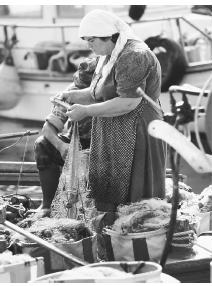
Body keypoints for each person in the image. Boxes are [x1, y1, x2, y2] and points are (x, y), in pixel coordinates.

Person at [56, 9, 167, 213]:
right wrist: (71, 96)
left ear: (110, 37)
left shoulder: (134, 55)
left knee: (136, 191)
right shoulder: (108, 55)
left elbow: (128, 102)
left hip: (138, 130)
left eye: (92, 40)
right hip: (113, 130)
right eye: (86, 40)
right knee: (111, 188)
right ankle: (112, 233)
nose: (88, 45)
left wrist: (87, 111)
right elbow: (100, 92)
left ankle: (137, 238)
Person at [33, 57, 97, 217]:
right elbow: (48, 129)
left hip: (105, 145)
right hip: (75, 143)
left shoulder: (109, 90)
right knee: (42, 144)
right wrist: (62, 147)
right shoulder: (70, 92)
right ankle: (47, 205)